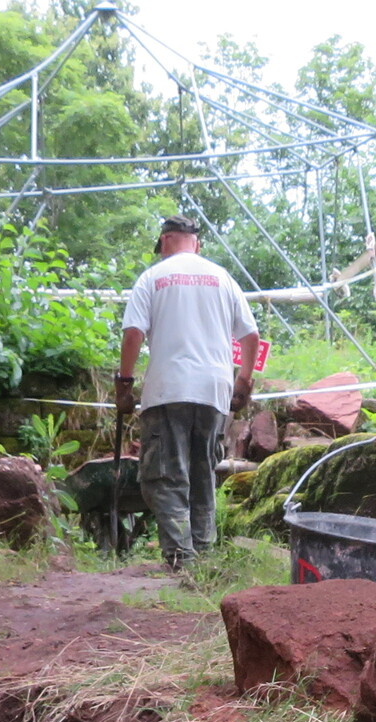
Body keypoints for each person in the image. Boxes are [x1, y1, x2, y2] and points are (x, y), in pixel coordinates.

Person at [115, 215, 260, 570]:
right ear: (196, 244)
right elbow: (251, 336)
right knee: (202, 476)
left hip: (168, 390)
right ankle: (203, 559)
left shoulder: (152, 278)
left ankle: (181, 559)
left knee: (166, 476)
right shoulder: (223, 278)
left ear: (165, 241)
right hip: (214, 391)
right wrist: (242, 382)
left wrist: (124, 384)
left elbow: (133, 334)